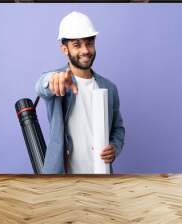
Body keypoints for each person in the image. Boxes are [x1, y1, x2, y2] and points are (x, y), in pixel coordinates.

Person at [35, 11, 125, 174]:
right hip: (63, 177)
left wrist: (115, 146)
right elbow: (41, 85)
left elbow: (118, 128)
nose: (85, 50)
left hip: (101, 173)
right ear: (64, 49)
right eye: (77, 45)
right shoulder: (59, 81)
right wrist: (52, 80)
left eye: (89, 43)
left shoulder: (109, 87)